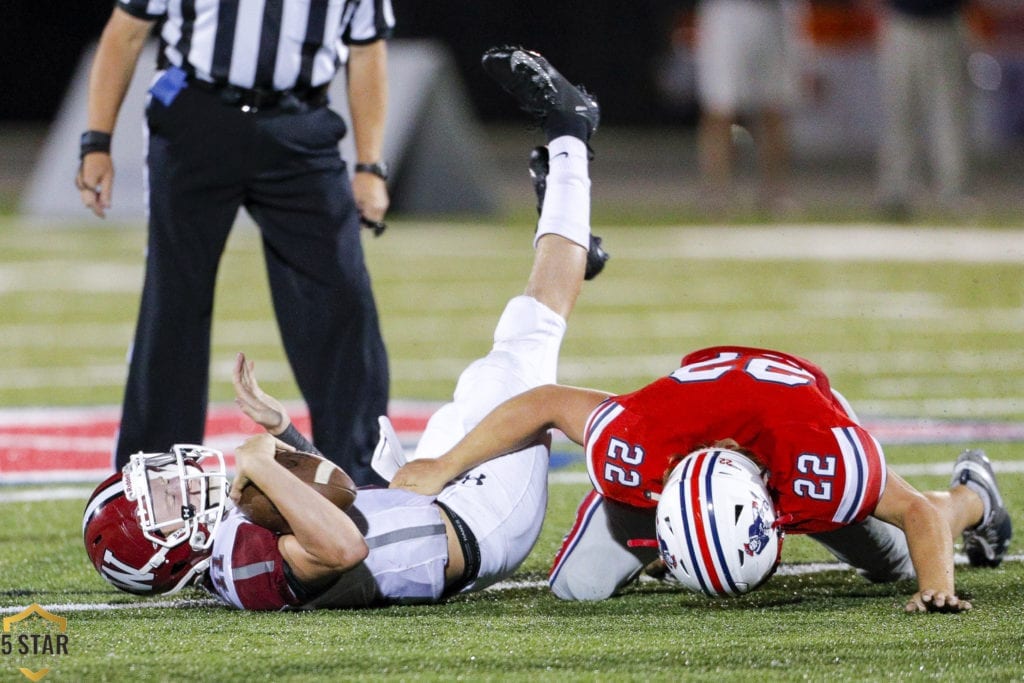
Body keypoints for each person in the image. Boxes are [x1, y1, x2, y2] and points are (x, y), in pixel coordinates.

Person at [83, 46, 607, 609]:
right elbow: (343, 548)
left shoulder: (232, 543)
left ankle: (567, 226)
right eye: (163, 497)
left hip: (423, 496)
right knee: (532, 347)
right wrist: (264, 461)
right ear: (164, 550)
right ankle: (570, 131)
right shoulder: (242, 570)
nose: (178, 477)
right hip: (479, 521)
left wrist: (286, 436)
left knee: (505, 363)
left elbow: (341, 493)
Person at [389, 347, 1012, 613]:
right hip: (687, 428)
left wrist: (938, 589)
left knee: (900, 564)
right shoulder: (637, 445)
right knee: (576, 589)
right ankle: (668, 551)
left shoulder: (823, 466)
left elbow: (914, 515)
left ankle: (973, 495)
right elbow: (546, 401)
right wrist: (443, 467)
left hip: (796, 409)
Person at [74, 0, 394, 485]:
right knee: (175, 299)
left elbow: (367, 51)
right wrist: (96, 141)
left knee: (342, 296)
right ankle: (155, 480)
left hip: (300, 125)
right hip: (196, 117)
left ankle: (362, 473)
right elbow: (126, 32)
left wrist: (370, 165)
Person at [693, 0, 798, 215]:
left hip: (772, 12)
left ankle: (774, 193)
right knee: (719, 108)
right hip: (726, 11)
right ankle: (716, 193)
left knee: (774, 108)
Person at [875, 0, 972, 219]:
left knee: (951, 115)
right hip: (904, 22)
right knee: (900, 113)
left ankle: (953, 191)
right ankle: (897, 190)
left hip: (946, 23)